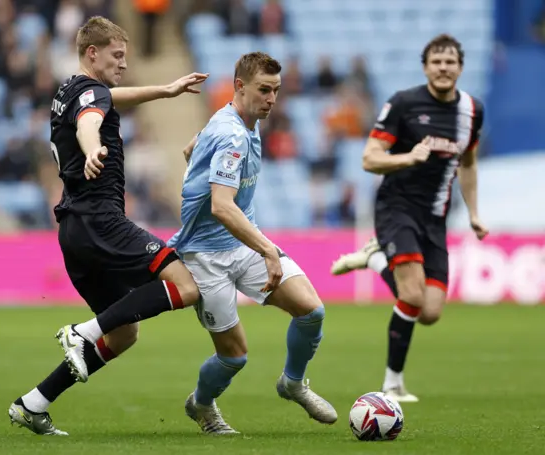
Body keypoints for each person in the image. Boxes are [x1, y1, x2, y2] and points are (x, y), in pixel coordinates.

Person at [8, 16, 208, 435]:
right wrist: (94, 148)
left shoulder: (71, 88)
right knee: (186, 287)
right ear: (92, 53)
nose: (123, 63)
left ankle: (34, 402)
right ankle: (82, 332)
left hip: (74, 229)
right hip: (100, 220)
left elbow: (107, 100)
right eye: (117, 56)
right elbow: (90, 123)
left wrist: (166, 90)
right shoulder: (90, 97)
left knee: (124, 334)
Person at [170, 52, 338, 435]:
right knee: (235, 357)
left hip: (241, 245)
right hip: (206, 256)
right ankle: (202, 404)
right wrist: (267, 249)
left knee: (311, 311)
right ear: (240, 86)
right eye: (265, 90)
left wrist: (195, 155)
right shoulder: (232, 135)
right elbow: (222, 206)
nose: (272, 99)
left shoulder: (240, 121)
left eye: (276, 91)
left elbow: (196, 145)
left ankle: (292, 383)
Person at [330, 34, 488, 403]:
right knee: (412, 294)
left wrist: (476, 213)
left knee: (430, 311)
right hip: (396, 207)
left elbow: (468, 163)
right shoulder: (404, 103)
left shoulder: (472, 112)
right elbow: (369, 158)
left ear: (460, 67)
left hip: (435, 217)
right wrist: (407, 158)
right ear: (426, 67)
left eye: (450, 62)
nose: (444, 68)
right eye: (437, 61)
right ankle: (392, 383)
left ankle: (375, 258)